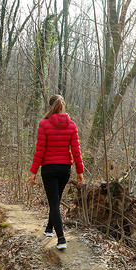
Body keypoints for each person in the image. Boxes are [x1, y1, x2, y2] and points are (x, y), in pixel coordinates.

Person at [29, 95, 84, 250]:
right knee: (56, 201)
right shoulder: (72, 125)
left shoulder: (44, 124)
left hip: (49, 169)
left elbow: (40, 151)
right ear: (62, 107)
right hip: (65, 169)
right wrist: (80, 171)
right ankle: (48, 229)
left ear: (50, 107)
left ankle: (61, 238)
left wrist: (33, 171)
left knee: (54, 202)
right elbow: (76, 151)